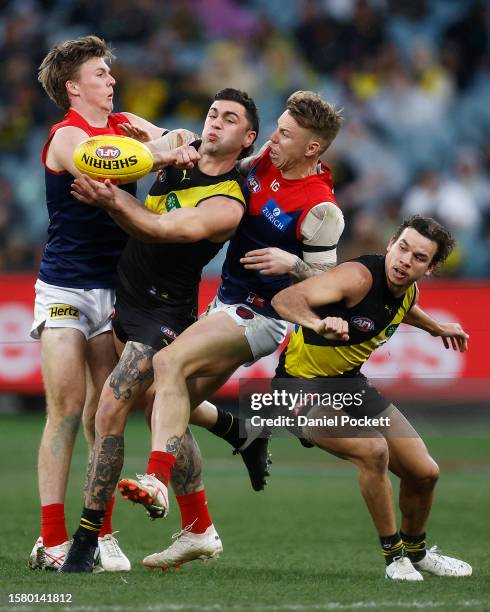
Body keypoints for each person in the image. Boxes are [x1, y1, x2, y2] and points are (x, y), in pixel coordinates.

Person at [114, 91, 346, 570]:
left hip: (262, 316)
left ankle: (156, 477)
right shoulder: (263, 163)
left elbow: (331, 286)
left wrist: (293, 264)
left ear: (312, 149)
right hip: (225, 303)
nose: (275, 140)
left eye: (286, 134)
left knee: (167, 363)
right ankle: (204, 519)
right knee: (160, 398)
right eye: (277, 128)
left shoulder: (322, 209)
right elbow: (196, 145)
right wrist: (139, 132)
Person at [59, 88, 259, 573]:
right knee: (163, 413)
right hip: (124, 298)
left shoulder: (227, 201)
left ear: (247, 139)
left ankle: (87, 540)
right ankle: (203, 520)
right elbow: (126, 122)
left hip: (164, 314)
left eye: (229, 119)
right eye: (212, 113)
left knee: (109, 406)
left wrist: (110, 198)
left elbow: (161, 229)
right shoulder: (182, 147)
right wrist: (143, 139)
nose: (215, 123)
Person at [29, 35, 191, 572]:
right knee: (68, 408)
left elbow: (169, 138)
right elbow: (102, 163)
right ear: (73, 87)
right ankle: (52, 539)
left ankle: (99, 535)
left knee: (109, 412)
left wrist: (175, 137)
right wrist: (163, 149)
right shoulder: (65, 136)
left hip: (115, 288)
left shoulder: (123, 125)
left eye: (109, 72)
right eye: (100, 73)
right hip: (66, 290)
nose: (111, 80)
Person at [269, 215, 472, 581]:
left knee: (424, 473)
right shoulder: (358, 277)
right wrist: (318, 324)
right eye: (403, 247)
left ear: (430, 268)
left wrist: (436, 326)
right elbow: (284, 300)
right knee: (373, 450)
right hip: (297, 388)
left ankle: (417, 552)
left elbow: (401, 307)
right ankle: (395, 558)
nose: (406, 260)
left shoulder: (408, 289)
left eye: (419, 257)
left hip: (348, 385)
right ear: (390, 243)